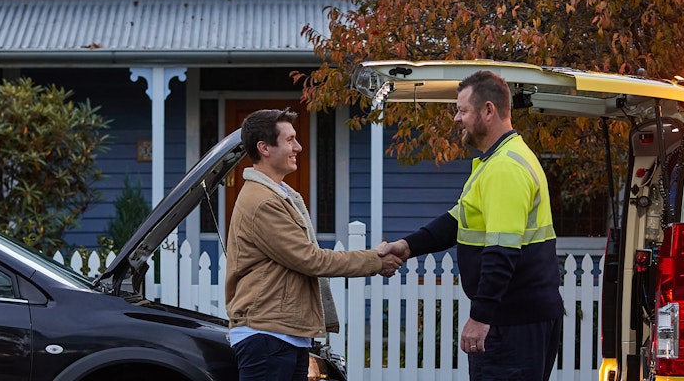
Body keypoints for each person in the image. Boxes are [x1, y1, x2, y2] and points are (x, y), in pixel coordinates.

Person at [377, 71, 563, 380]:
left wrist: (480, 317)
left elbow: (502, 252)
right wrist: (407, 247)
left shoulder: (504, 168)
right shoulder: (499, 160)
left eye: (462, 110)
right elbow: (456, 220)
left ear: (488, 111)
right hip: (521, 318)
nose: (456, 119)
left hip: (512, 323)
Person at [225, 108, 404, 381]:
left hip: (284, 335)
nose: (298, 146)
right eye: (289, 140)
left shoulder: (281, 194)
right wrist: (375, 260)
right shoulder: (262, 202)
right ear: (264, 148)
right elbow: (311, 260)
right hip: (267, 337)